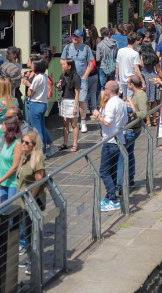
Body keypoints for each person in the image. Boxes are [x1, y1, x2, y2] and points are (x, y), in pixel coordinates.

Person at [92, 82, 126, 212]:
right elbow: (125, 121)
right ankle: (109, 196)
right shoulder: (121, 102)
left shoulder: (112, 103)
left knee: (104, 171)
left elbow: (107, 122)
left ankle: (113, 199)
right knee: (112, 171)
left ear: (108, 90)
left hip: (111, 141)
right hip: (119, 140)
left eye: (105, 88)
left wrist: (98, 115)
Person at [16, 131, 46, 257]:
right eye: (23, 141)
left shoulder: (37, 159)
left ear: (34, 145)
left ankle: (32, 261)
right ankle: (31, 259)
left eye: (27, 143)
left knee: (30, 233)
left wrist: (31, 200)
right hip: (22, 201)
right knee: (26, 232)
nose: (23, 144)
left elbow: (38, 181)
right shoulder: (24, 157)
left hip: (30, 201)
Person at [62, 29, 95, 134]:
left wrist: (85, 76)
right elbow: (62, 60)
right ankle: (73, 122)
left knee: (82, 100)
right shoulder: (67, 48)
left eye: (77, 37)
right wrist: (66, 68)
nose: (74, 38)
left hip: (82, 78)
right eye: (73, 36)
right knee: (70, 100)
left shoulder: (86, 48)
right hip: (70, 78)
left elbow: (90, 64)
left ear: (82, 38)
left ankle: (83, 121)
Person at [23, 57, 54, 155]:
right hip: (43, 104)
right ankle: (43, 151)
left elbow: (29, 93)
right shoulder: (44, 76)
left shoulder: (37, 78)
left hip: (35, 104)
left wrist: (28, 84)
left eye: (33, 64)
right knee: (41, 128)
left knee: (37, 130)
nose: (31, 65)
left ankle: (40, 152)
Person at [124, 73, 149, 188]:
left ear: (132, 85)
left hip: (132, 129)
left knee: (127, 154)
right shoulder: (136, 94)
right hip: (131, 128)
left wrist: (131, 111)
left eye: (129, 83)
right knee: (129, 154)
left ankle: (128, 179)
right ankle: (130, 179)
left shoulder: (140, 96)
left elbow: (143, 113)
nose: (128, 85)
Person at [0, 116, 23, 202]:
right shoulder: (5, 141)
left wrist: (0, 180)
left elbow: (14, 167)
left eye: (3, 125)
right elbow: (1, 160)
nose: (1, 126)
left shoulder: (17, 144)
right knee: (3, 209)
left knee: (11, 209)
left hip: (12, 183)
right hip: (2, 181)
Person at [57, 57, 81, 153]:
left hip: (71, 102)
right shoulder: (62, 76)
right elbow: (60, 86)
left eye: (64, 64)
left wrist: (75, 106)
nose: (62, 66)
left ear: (69, 66)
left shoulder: (76, 77)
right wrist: (58, 86)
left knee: (74, 124)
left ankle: (75, 144)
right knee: (65, 124)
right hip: (64, 101)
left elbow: (77, 93)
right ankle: (65, 143)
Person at [94, 27, 118, 116]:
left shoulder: (100, 45)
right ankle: (112, 105)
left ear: (101, 35)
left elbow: (97, 59)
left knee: (102, 87)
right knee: (112, 86)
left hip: (102, 67)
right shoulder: (115, 43)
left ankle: (103, 107)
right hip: (112, 66)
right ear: (109, 33)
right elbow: (116, 55)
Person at [115, 32, 143, 99]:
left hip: (122, 79)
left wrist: (116, 78)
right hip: (131, 79)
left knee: (124, 97)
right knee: (129, 99)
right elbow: (136, 69)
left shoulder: (120, 51)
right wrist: (142, 80)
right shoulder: (135, 53)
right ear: (135, 41)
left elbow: (117, 66)